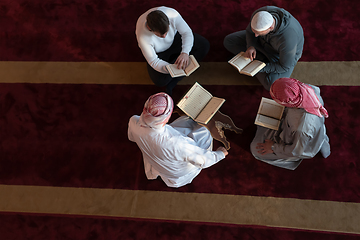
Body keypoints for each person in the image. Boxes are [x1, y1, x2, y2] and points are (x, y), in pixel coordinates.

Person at [128, 92, 228, 188]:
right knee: (205, 133)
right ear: (165, 119)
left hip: (156, 158)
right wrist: (220, 154)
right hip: (176, 170)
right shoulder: (176, 144)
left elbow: (131, 138)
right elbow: (203, 160)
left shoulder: (133, 121)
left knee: (185, 121)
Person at [250, 78, 330, 170]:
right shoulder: (308, 88)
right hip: (297, 129)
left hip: (297, 141)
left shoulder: (301, 129)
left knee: (255, 149)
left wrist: (273, 147)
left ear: (289, 102)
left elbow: (297, 151)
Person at [224, 6, 304, 90]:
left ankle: (258, 60)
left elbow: (284, 66)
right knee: (228, 41)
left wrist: (258, 68)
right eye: (254, 31)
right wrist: (251, 46)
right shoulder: (260, 14)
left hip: (278, 56)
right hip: (262, 42)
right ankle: (258, 57)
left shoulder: (288, 39)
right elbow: (250, 32)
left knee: (271, 85)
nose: (255, 35)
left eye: (258, 33)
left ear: (270, 27)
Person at [135, 6, 210, 96]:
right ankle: (178, 67)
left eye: (166, 32)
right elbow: (153, 61)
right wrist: (171, 68)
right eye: (160, 35)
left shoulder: (172, 14)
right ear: (150, 28)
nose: (165, 37)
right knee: (160, 82)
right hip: (159, 52)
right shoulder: (143, 37)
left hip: (175, 40)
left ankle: (178, 67)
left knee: (204, 45)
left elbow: (186, 32)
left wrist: (185, 52)